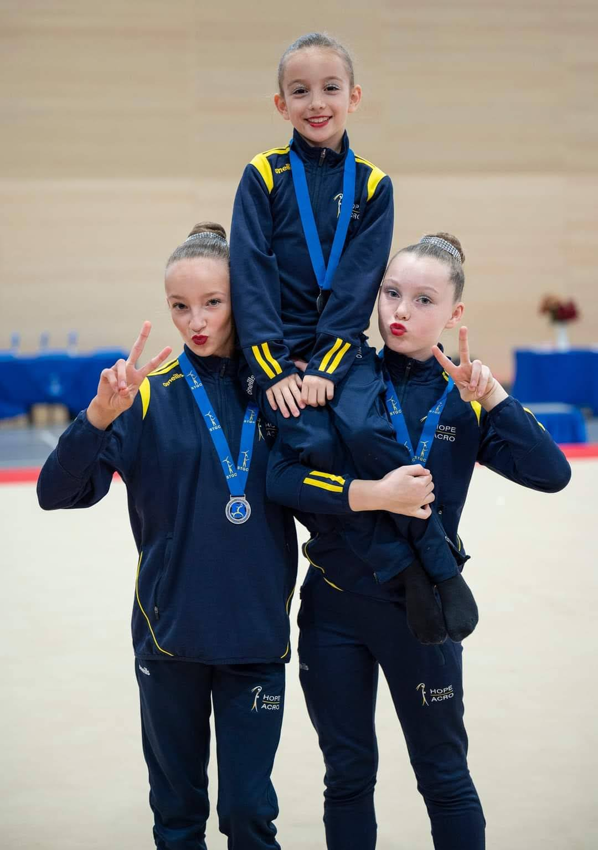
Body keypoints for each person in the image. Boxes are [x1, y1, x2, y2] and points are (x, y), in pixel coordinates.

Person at [36, 222, 434, 850]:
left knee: (250, 814)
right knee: (177, 817)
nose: (195, 321)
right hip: (169, 639)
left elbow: (329, 498)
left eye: (213, 303)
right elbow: (54, 492)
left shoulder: (285, 395)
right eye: (179, 306)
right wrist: (95, 419)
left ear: (244, 297)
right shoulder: (147, 399)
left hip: (255, 639)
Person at [268, 232, 571, 849]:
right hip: (333, 610)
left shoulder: (463, 402)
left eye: (423, 299)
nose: (400, 312)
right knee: (347, 777)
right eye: (391, 293)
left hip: (421, 610)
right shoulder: (341, 379)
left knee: (443, 774)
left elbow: (552, 473)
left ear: (455, 313)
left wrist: (492, 396)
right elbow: (286, 481)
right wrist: (375, 493)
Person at [230, 32, 478, 644]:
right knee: (315, 450)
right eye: (300, 91)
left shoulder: (373, 184)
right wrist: (276, 371)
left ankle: (439, 561)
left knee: (371, 433)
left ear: (354, 97)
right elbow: (250, 274)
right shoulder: (263, 174)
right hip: (276, 360)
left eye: (330, 88)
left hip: (338, 352)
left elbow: (359, 280)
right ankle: (404, 570)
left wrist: (327, 366)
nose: (317, 102)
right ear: (280, 104)